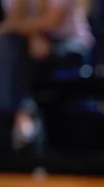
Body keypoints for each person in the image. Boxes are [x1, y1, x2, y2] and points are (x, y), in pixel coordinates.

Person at [0, 0, 94, 154]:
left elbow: (52, 21)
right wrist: (33, 36)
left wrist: (26, 32)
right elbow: (14, 18)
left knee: (12, 54)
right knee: (9, 47)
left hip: (69, 44)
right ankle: (23, 114)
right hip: (27, 44)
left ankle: (21, 115)